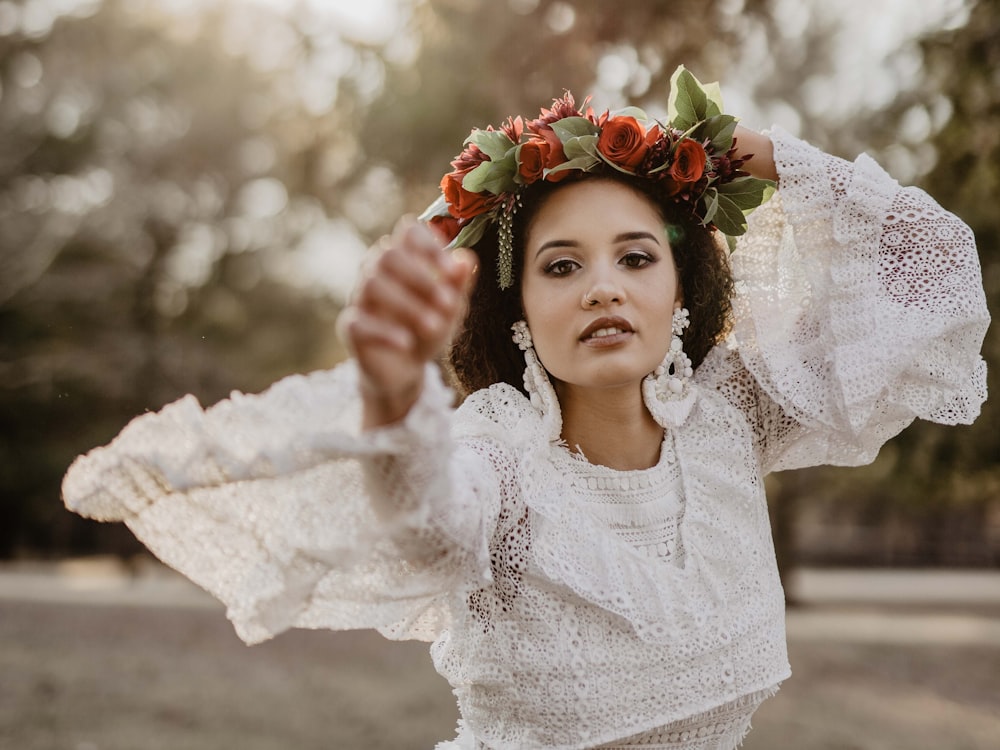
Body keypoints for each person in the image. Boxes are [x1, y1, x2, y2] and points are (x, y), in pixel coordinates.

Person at [63, 68, 990, 749]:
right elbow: (425, 520)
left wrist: (750, 155)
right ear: (515, 313)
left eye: (636, 257)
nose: (602, 289)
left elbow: (931, 279)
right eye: (561, 266)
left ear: (683, 292)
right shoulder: (496, 460)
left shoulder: (731, 420)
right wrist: (391, 392)